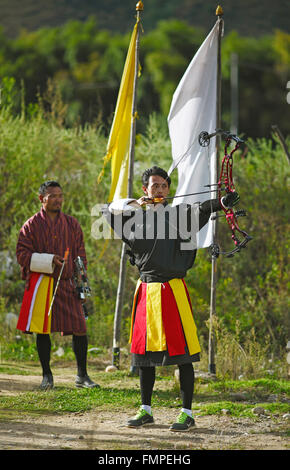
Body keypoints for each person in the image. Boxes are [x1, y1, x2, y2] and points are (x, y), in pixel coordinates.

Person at [103, 166, 239, 431]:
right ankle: (145, 410)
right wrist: (136, 203)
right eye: (154, 186)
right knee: (144, 356)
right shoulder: (132, 219)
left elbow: (203, 208)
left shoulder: (179, 215)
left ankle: (186, 413)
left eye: (164, 186)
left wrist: (222, 202)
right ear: (145, 189)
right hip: (147, 290)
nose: (160, 190)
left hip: (173, 291)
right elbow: (110, 208)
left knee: (183, 355)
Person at [16, 181, 99, 390]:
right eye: (52, 196)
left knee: (80, 327)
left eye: (60, 195)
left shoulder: (72, 224)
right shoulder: (31, 225)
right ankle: (47, 375)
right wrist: (48, 260)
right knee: (43, 330)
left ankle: (82, 375)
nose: (58, 200)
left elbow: (81, 257)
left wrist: (83, 288)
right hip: (42, 284)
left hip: (69, 283)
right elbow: (22, 255)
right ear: (41, 199)